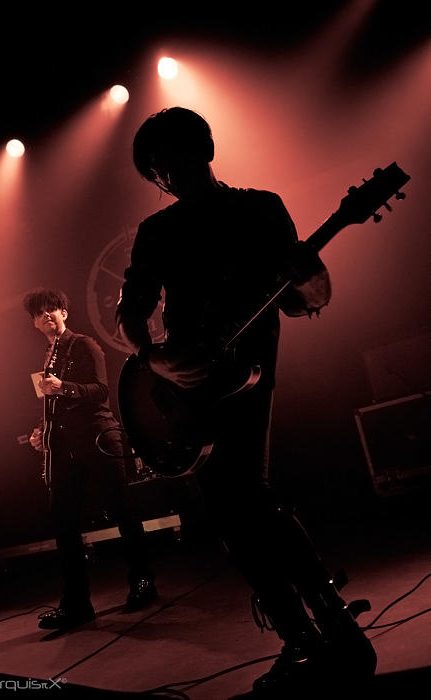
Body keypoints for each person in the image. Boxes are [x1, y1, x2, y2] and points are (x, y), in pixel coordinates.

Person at [115, 107, 377, 692]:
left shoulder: (260, 207)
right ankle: (305, 629)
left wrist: (309, 273)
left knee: (247, 497)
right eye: (156, 170)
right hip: (184, 384)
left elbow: (304, 300)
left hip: (250, 375)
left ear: (203, 148)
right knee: (232, 510)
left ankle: (319, 621)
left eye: (173, 159)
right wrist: (154, 357)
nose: (167, 175)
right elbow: (131, 311)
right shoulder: (158, 232)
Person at [24, 288, 157, 630]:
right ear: (35, 323)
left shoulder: (84, 345)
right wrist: (42, 431)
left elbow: (100, 391)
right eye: (40, 313)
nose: (47, 316)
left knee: (122, 510)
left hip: (99, 437)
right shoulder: (46, 357)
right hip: (67, 446)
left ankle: (143, 582)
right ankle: (76, 603)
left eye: (53, 309)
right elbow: (54, 408)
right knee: (64, 520)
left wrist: (65, 387)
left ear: (64, 313)